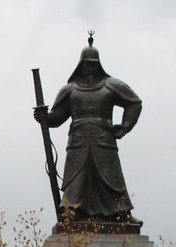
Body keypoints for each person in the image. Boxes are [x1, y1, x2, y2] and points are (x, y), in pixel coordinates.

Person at [33, 36, 142, 224]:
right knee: (76, 178)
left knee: (111, 178)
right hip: (78, 140)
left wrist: (124, 127)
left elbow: (134, 103)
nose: (90, 68)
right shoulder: (70, 89)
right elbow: (57, 117)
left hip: (104, 139)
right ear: (80, 65)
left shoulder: (111, 85)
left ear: (98, 65)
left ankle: (121, 212)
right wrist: (45, 118)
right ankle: (71, 212)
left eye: (93, 64)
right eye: (86, 65)